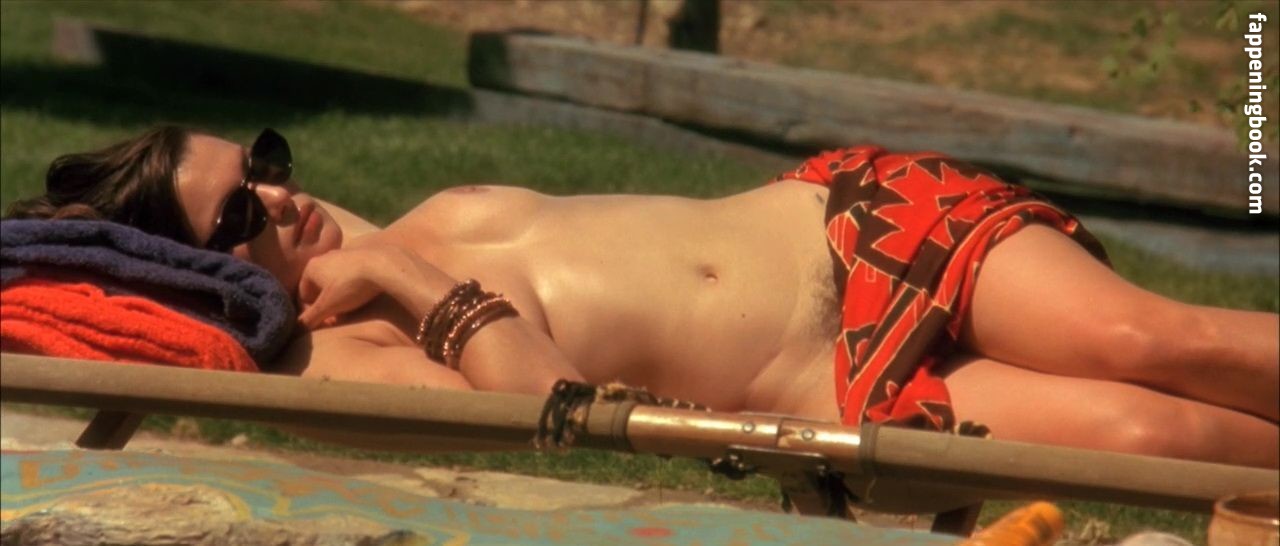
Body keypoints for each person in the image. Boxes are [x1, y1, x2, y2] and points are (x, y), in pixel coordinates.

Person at [7, 126, 1278, 469]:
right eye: (240, 216)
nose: (282, 199)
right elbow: (555, 409)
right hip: (843, 384)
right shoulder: (334, 356)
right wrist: (399, 279)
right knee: (1151, 434)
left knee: (1147, 334)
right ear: (208, 269)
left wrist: (389, 249)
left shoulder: (379, 221)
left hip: (854, 231)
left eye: (265, 165)